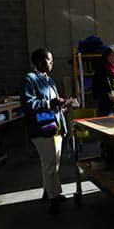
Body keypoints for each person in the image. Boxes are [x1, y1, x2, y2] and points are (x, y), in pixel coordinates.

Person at [22, 48, 75, 215]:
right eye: (49, 60)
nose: (52, 63)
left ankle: (49, 192)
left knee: (51, 164)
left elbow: (55, 106)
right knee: (51, 164)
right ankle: (54, 198)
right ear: (39, 62)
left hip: (55, 128)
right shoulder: (30, 79)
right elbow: (29, 104)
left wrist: (66, 104)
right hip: (42, 129)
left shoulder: (50, 81)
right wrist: (51, 102)